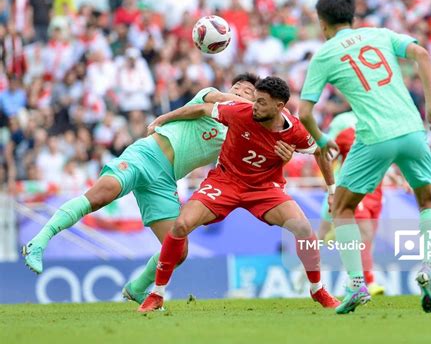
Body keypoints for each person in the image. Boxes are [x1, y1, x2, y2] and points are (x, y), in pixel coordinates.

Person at [22, 73, 294, 304]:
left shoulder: (239, 131)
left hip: (165, 181)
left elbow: (264, 152)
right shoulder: (210, 95)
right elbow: (221, 98)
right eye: (238, 88)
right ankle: (39, 241)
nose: (240, 93)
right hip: (146, 155)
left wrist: (284, 153)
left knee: (179, 249)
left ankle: (137, 288)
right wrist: (248, 101)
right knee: (100, 195)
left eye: (249, 92)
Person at [138, 76, 340, 313]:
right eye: (255, 100)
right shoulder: (239, 112)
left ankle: (318, 290)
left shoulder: (295, 130)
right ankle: (157, 294)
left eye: (262, 103)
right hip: (225, 182)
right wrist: (163, 118)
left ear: (279, 107)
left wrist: (332, 190)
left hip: (264, 188)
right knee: (181, 225)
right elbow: (202, 109)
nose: (255, 106)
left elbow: (321, 152)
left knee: (304, 230)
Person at [298, 0, 431, 314]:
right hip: (411, 130)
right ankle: (428, 271)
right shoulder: (379, 34)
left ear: (322, 24)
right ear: (353, 17)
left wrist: (321, 140)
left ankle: (356, 284)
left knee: (343, 209)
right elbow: (421, 54)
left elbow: (304, 112)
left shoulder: (324, 54)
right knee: (429, 200)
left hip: (374, 136)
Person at [318, 111, 385, 297]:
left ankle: (362, 280)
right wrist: (330, 183)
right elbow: (326, 152)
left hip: (372, 188)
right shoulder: (342, 122)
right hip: (344, 187)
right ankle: (306, 273)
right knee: (321, 236)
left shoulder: (378, 120)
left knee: (366, 236)